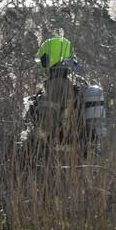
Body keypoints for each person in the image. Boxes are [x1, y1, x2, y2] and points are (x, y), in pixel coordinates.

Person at [23, 36, 106, 164]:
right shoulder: (77, 85)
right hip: (77, 158)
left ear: (48, 59)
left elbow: (45, 127)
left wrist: (28, 142)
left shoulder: (55, 86)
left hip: (57, 160)